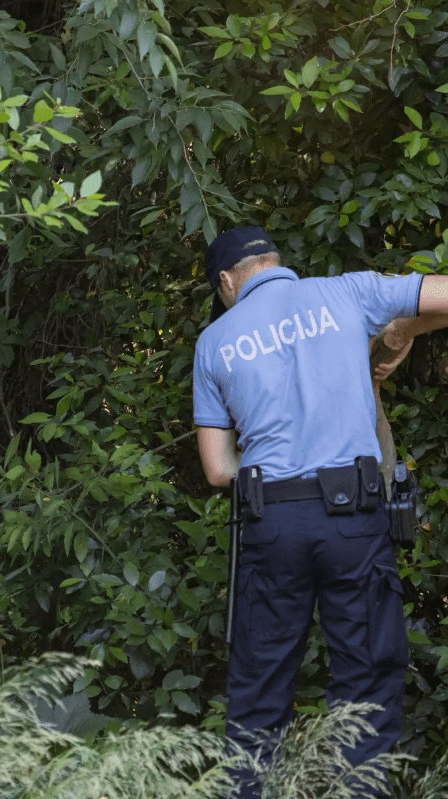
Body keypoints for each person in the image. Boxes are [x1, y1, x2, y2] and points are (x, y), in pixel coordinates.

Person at [192, 226, 448, 797]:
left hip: (272, 521)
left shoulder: (214, 341)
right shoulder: (348, 293)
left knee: (258, 689)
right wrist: (406, 323)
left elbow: (216, 469)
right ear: (277, 264)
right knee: (368, 677)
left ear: (228, 282)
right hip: (354, 517)